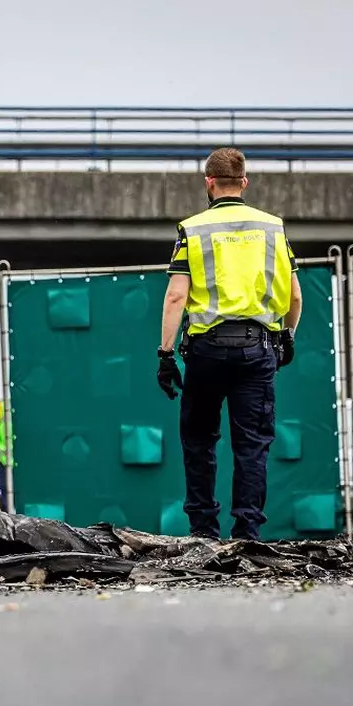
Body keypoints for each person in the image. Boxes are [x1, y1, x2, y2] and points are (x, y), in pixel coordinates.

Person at [156, 147, 303, 541]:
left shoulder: (192, 229)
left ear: (208, 182)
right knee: (252, 446)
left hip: (206, 351)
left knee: (200, 440)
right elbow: (295, 297)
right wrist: (286, 338)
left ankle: (203, 531)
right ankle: (247, 534)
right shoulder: (273, 228)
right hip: (258, 350)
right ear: (244, 181)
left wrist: (166, 354)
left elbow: (175, 296)